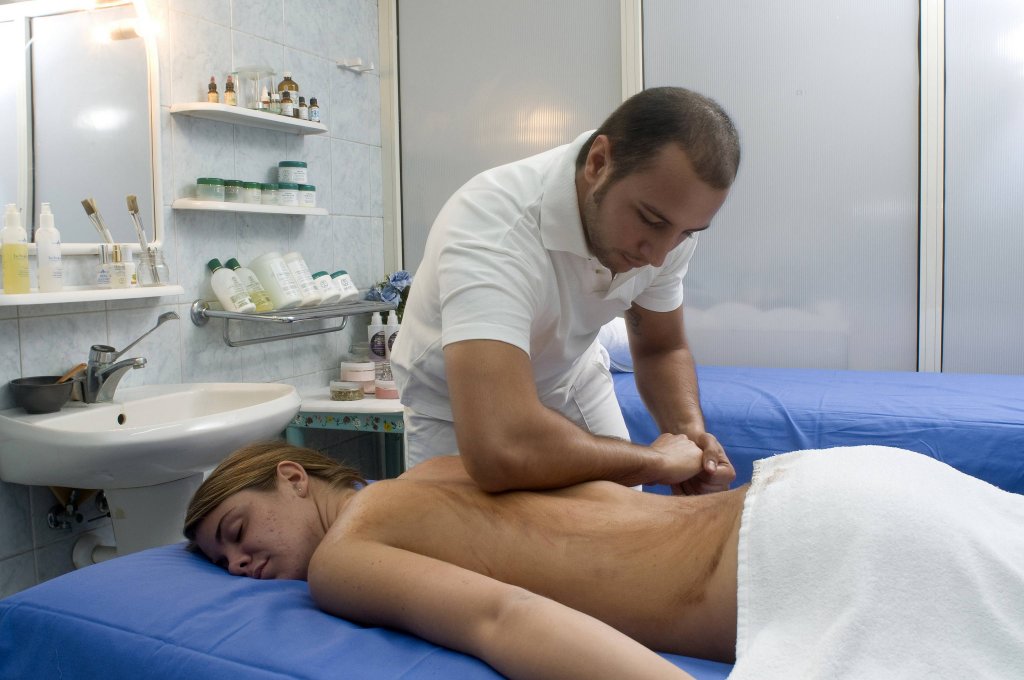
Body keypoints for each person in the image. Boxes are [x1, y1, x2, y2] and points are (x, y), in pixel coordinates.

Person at [185, 441, 1024, 680]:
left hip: (810, 554)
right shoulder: (447, 467)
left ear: (292, 476)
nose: (240, 563)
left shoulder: (345, 556)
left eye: (236, 529)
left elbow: (503, 618)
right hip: (838, 486)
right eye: (224, 561)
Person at [389, 86, 742, 494]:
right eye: (651, 220)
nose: (659, 255)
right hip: (457, 408)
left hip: (569, 378)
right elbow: (500, 447)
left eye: (686, 233)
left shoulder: (669, 220)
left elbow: (660, 348)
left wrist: (689, 436)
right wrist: (657, 462)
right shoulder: (493, 226)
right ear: (598, 162)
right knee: (473, 535)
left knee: (621, 512)